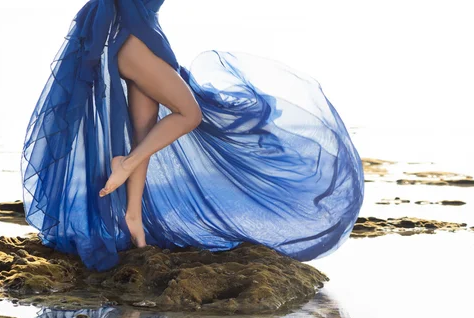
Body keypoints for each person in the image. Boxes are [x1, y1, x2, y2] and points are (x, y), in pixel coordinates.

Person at [21, 0, 365, 271]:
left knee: (146, 131)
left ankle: (133, 217)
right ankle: (125, 164)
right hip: (132, 41)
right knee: (190, 113)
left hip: (140, 37)